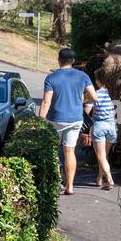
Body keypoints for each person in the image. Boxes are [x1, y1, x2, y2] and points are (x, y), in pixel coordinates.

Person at [39, 47, 96, 196]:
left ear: (59, 60)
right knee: (69, 151)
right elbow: (94, 98)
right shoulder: (82, 76)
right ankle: (70, 186)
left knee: (53, 150)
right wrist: (81, 99)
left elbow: (46, 101)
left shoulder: (52, 78)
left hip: (56, 119)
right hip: (76, 119)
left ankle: (55, 182)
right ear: (73, 61)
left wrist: (40, 120)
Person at [90, 71, 119, 191]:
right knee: (104, 155)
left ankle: (110, 179)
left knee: (101, 156)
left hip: (99, 126)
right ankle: (99, 179)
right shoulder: (113, 95)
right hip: (112, 127)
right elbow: (120, 116)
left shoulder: (95, 94)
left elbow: (88, 111)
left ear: (97, 80)